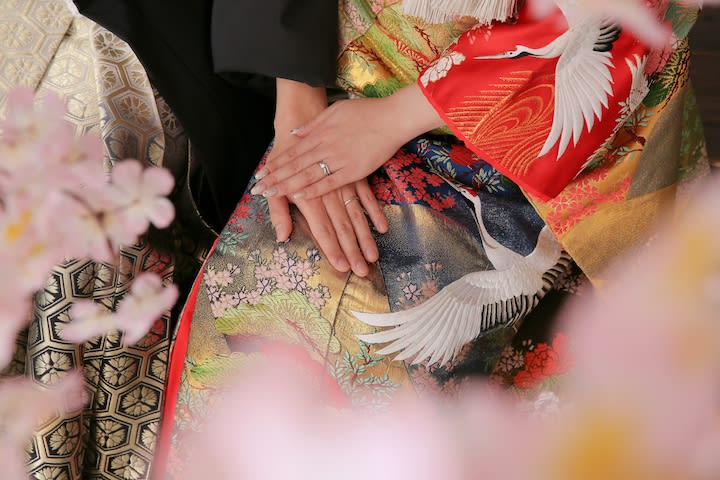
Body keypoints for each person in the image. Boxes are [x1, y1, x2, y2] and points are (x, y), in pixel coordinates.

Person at [156, 0, 710, 475]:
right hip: (340, 73)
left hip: (531, 122)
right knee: (248, 362)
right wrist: (297, 96)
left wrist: (395, 118)